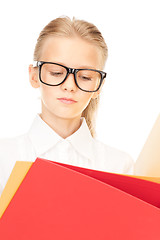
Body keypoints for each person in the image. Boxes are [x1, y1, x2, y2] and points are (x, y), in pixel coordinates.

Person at [0, 16, 134, 196]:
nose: (69, 86)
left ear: (98, 85)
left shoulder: (119, 165)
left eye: (85, 77)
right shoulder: (4, 157)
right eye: (56, 72)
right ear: (34, 76)